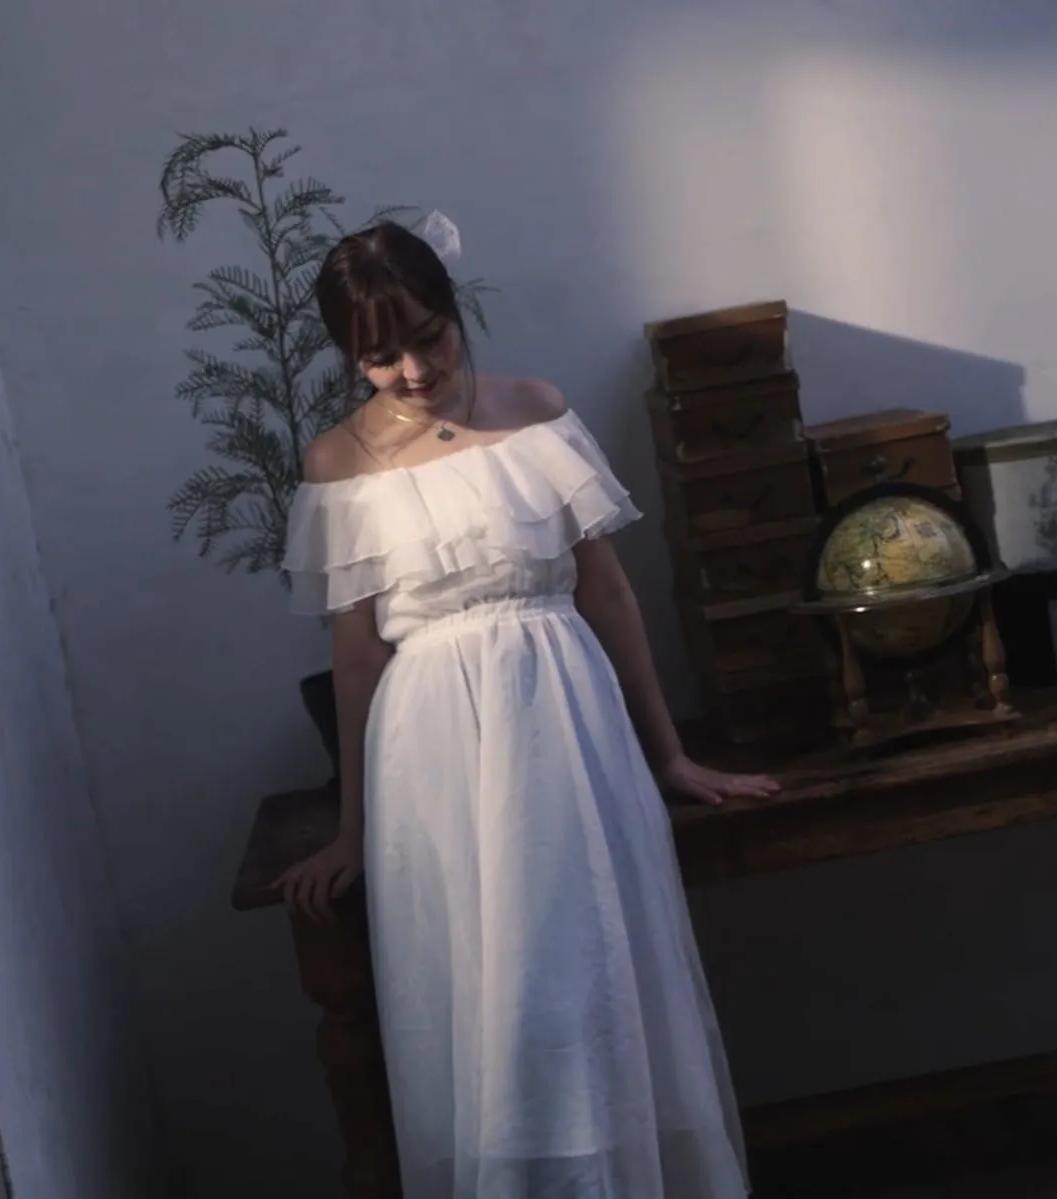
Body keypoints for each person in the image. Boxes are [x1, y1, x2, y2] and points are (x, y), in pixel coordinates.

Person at [272, 220, 776, 1197]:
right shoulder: (338, 462)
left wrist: (668, 755)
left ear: (455, 308)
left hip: (569, 725)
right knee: (493, 993)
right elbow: (357, 654)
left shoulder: (535, 411)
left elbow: (609, 593)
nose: (415, 370)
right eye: (381, 356)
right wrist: (352, 829)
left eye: (430, 336)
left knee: (592, 970)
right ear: (350, 356)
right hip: (437, 752)